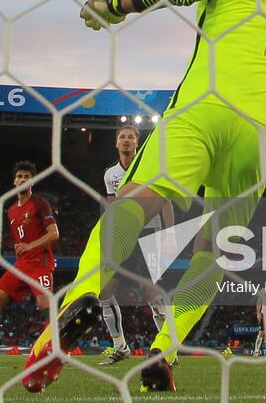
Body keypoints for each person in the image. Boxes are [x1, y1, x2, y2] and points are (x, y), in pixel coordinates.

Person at [25, 0, 266, 393]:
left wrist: (113, 5)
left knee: (135, 198)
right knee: (213, 250)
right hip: (260, 137)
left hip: (204, 109)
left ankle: (84, 298)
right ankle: (165, 348)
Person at [0, 161, 60, 363]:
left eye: (27, 177)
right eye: (20, 177)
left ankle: (59, 348)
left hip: (39, 263)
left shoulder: (40, 203)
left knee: (44, 303)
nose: (23, 180)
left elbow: (54, 234)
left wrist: (30, 245)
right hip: (21, 264)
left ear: (32, 181)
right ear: (14, 181)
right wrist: (21, 248)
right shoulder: (10, 210)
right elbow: (21, 239)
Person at [97, 126, 172, 365]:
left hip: (149, 233)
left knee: (149, 288)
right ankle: (120, 346)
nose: (126, 141)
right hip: (124, 236)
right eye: (122, 137)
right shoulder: (110, 174)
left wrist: (169, 234)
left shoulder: (149, 167)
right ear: (116, 144)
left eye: (131, 137)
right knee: (105, 292)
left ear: (137, 143)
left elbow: (165, 201)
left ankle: (167, 348)